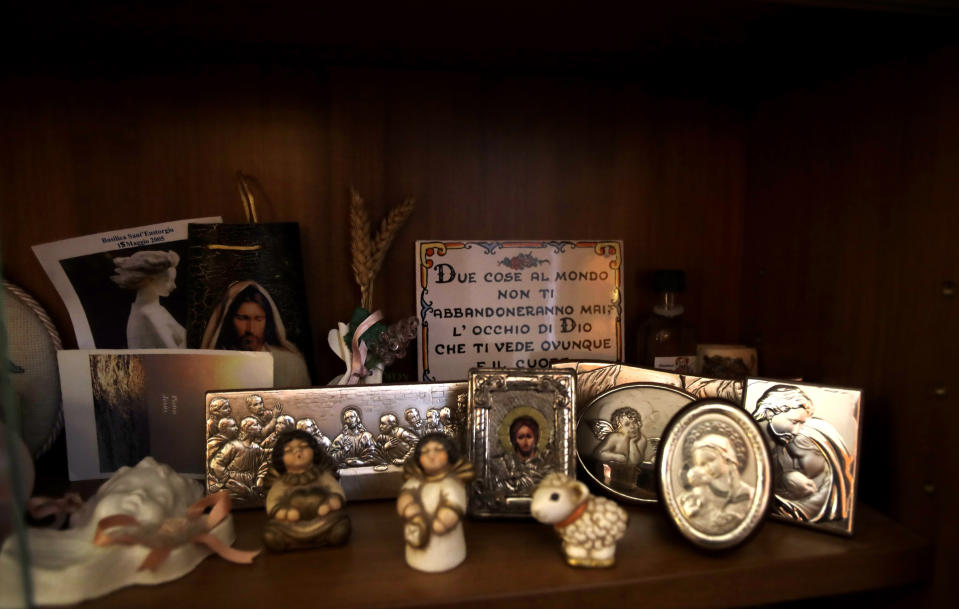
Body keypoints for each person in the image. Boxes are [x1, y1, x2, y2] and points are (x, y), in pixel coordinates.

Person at [752, 384, 853, 523]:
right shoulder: (754, 439)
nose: (796, 431)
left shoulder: (781, 439)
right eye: (794, 422)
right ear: (770, 413)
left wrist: (784, 479)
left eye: (801, 424)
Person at [200, 280, 311, 388]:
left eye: (258, 319)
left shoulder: (291, 364)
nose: (250, 329)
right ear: (228, 320)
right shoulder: (211, 366)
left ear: (267, 321)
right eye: (243, 318)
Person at [396, 432, 474, 572]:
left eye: (438, 450)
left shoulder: (452, 484)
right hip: (416, 533)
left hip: (446, 546)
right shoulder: (415, 481)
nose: (431, 456)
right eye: (425, 452)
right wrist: (410, 509)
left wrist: (441, 523)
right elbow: (405, 496)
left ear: (450, 454)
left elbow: (454, 504)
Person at [262, 430, 350, 552]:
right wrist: (284, 513)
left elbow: (335, 490)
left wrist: (331, 502)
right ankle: (292, 541)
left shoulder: (322, 475)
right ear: (280, 457)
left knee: (342, 525)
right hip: (291, 526)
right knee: (270, 535)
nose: (298, 452)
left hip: (323, 521)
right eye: (288, 450)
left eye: (303, 447)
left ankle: (326, 536)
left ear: (314, 451)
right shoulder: (281, 483)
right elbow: (273, 501)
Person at [678, 433, 754, 534]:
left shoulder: (743, 492)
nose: (707, 467)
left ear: (726, 458)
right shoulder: (703, 489)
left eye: (711, 460)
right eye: (702, 464)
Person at [111, 250, 186, 348]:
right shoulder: (148, 315)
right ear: (149, 279)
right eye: (168, 280)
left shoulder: (154, 309)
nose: (174, 286)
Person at [209, 417, 270, 504]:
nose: (260, 427)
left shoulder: (258, 449)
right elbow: (216, 463)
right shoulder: (234, 446)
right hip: (233, 486)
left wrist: (260, 479)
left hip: (250, 486)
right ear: (247, 429)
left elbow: (263, 465)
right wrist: (227, 479)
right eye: (256, 425)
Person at [491, 415, 549, 495]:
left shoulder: (544, 464)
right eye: (520, 437)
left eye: (529, 437)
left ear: (536, 438)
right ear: (514, 439)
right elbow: (499, 487)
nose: (525, 442)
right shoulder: (505, 463)